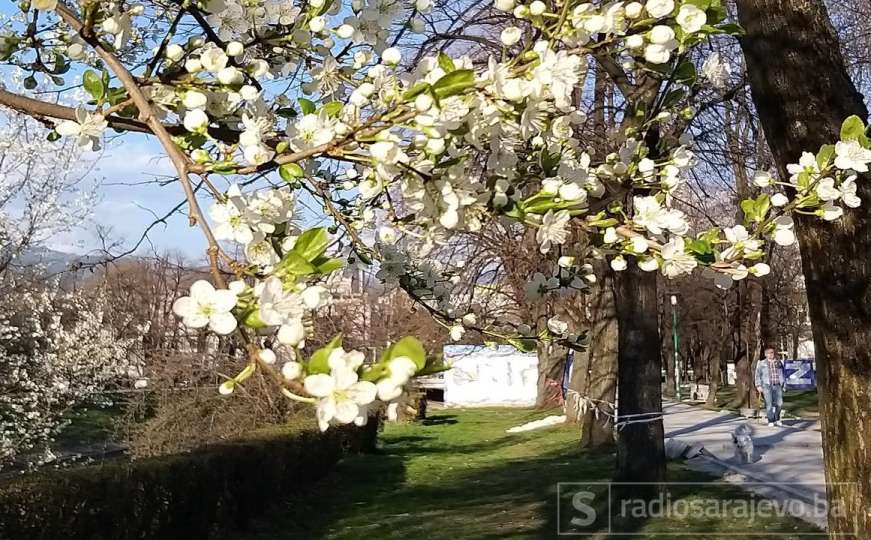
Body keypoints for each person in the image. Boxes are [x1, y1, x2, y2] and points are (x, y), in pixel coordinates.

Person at [755, 347, 786, 427]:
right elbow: (757, 375)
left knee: (779, 403)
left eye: (772, 352)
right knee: (769, 404)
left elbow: (783, 373)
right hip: (767, 385)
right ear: (765, 354)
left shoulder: (778, 362)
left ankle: (777, 418)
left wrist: (784, 384)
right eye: (768, 353)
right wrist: (758, 385)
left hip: (778, 385)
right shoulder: (761, 363)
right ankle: (771, 420)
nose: (770, 354)